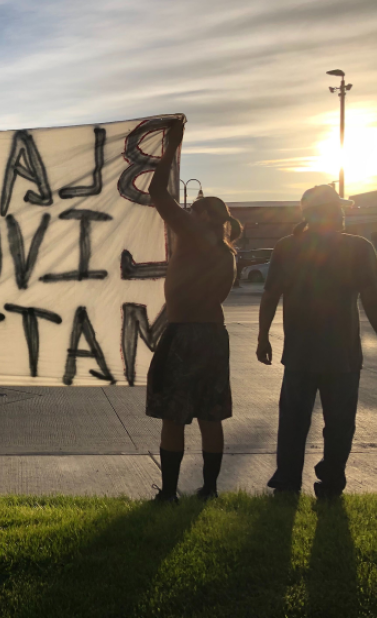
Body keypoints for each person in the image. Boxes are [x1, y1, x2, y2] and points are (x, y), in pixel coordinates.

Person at [257, 185, 377, 499]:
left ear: (306, 213)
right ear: (338, 212)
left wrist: (263, 336)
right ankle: (331, 482)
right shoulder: (358, 247)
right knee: (340, 423)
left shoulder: (287, 247)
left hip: (299, 353)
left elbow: (270, 295)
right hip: (342, 354)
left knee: (293, 421)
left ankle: (288, 481)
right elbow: (372, 300)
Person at [147, 118, 243, 502]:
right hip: (213, 337)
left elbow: (157, 191)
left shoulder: (192, 233)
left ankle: (168, 493)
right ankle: (210, 489)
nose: (185, 211)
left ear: (203, 215)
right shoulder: (226, 252)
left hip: (184, 333)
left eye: (193, 208)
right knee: (210, 414)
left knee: (174, 416)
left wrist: (171, 147)